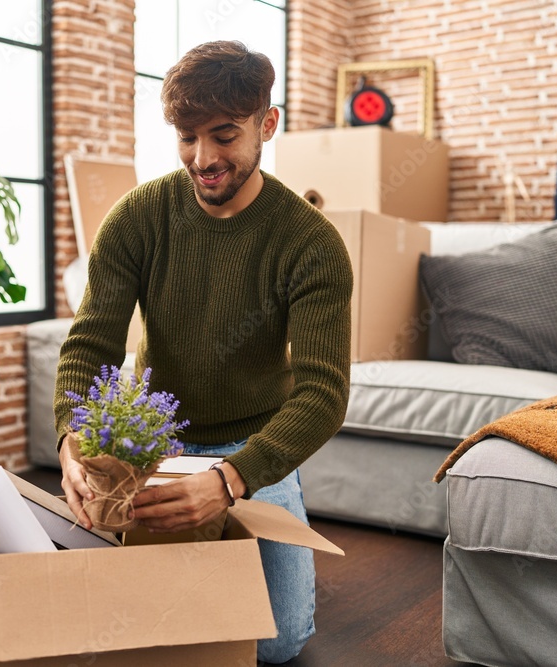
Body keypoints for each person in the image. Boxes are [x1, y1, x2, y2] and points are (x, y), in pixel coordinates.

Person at [53, 40, 352, 664]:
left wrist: (232, 478)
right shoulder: (138, 217)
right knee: (132, 621)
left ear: (266, 124)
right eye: (188, 137)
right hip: (153, 443)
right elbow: (91, 343)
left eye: (223, 136)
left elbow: (323, 394)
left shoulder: (311, 243)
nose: (204, 158)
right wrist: (71, 441)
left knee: (276, 643)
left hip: (250, 450)